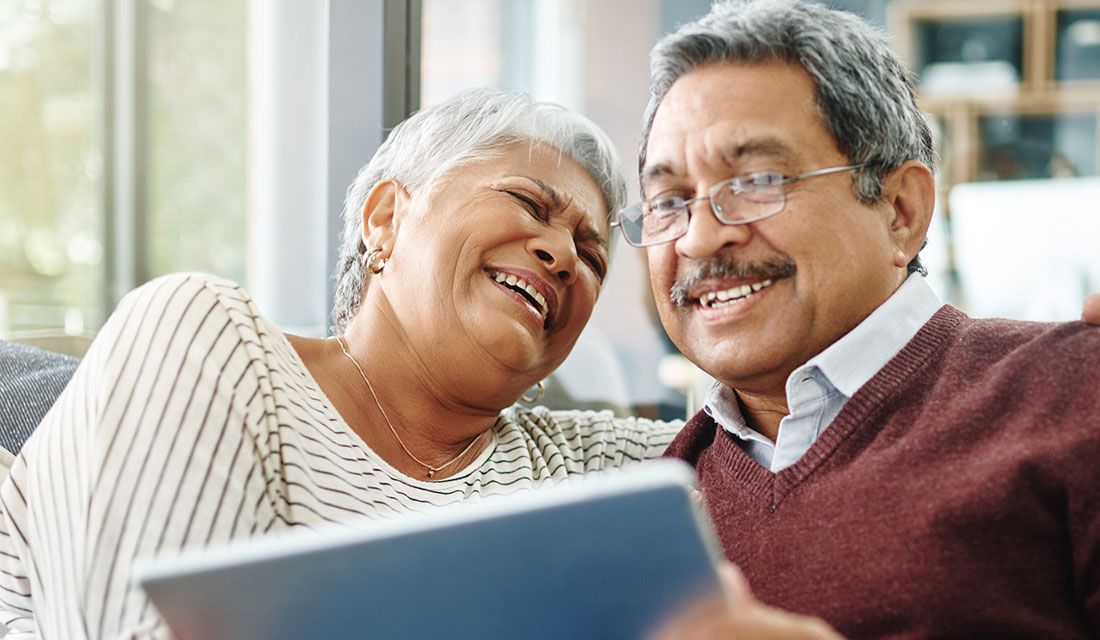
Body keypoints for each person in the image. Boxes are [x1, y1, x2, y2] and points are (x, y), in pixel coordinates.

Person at [0, 88, 685, 638]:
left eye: (591, 255)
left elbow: (782, 446)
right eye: (529, 203)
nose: (564, 255)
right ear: (385, 217)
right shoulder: (209, 340)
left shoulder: (588, 466)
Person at [617, 0, 1100, 637]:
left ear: (900, 209)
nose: (700, 239)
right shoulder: (646, 512)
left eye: (758, 180)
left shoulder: (1074, 392)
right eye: (668, 201)